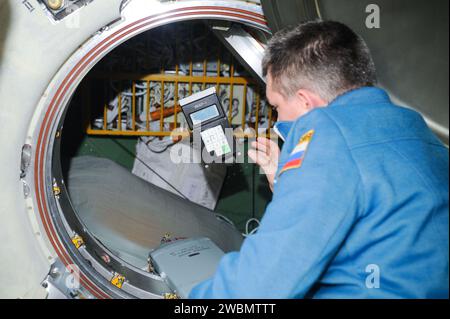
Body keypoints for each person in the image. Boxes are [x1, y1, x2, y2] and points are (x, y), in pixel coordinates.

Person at [189, 21, 449, 299]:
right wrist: (287, 183)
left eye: (276, 107)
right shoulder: (415, 128)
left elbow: (261, 284)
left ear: (305, 102)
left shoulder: (326, 131)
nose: (278, 119)